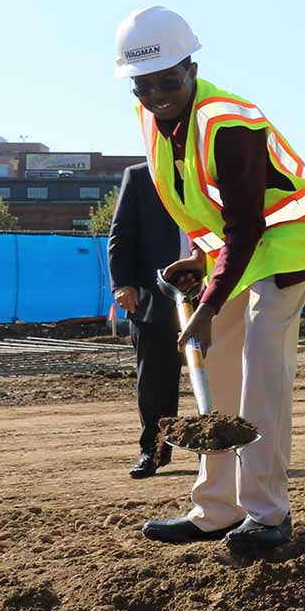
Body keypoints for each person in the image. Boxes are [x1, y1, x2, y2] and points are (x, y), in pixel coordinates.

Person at [115, 7, 305, 551]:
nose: (159, 93)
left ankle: (266, 514)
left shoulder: (227, 120)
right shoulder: (153, 119)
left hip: (287, 240)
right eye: (145, 84)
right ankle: (216, 509)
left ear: (191, 67)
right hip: (234, 250)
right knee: (217, 369)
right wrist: (198, 261)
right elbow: (198, 207)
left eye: (169, 80)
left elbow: (246, 222)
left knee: (261, 363)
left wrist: (208, 305)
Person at [108, 161, 188, 478]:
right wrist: (122, 284)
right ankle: (153, 452)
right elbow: (120, 235)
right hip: (154, 294)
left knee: (222, 376)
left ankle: (218, 454)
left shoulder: (213, 170)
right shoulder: (141, 176)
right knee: (155, 380)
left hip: (212, 288)